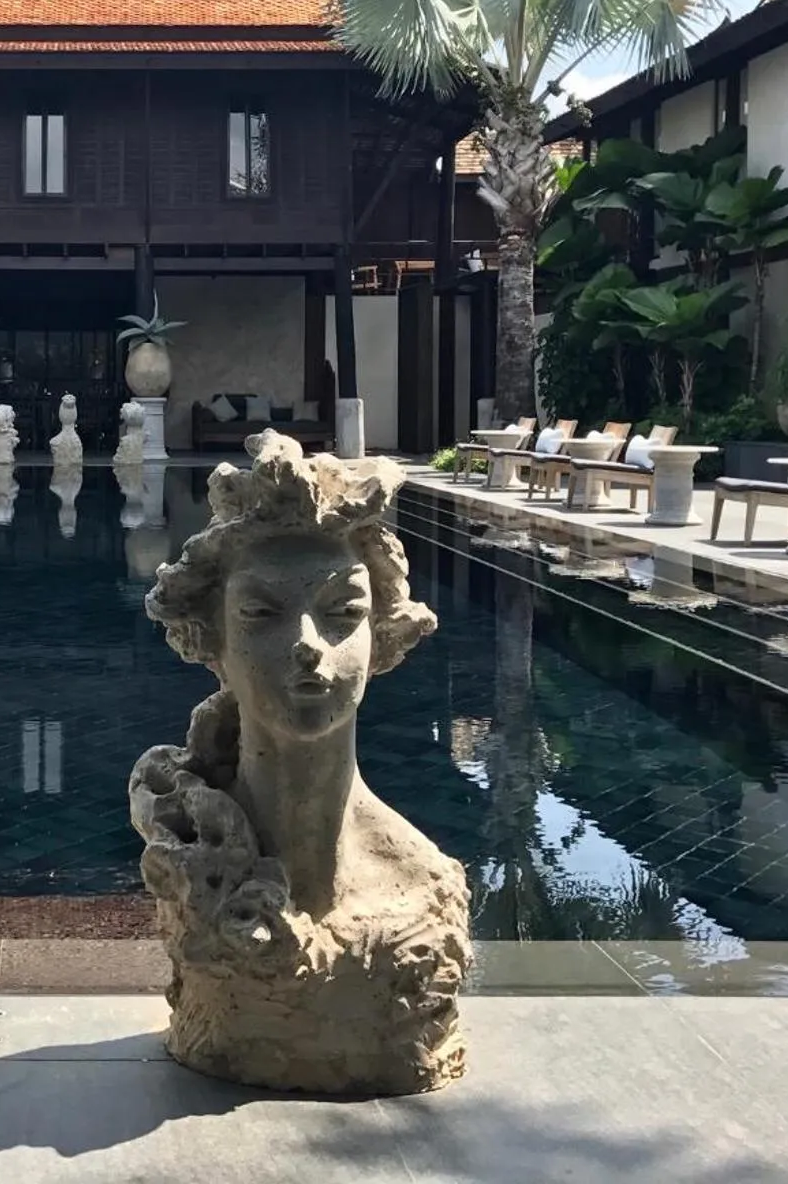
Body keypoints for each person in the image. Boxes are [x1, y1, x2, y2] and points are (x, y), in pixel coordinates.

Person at [131, 431, 469, 1095]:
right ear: (212, 638)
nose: (309, 646)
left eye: (343, 612)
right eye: (262, 613)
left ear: (383, 638)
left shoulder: (423, 888)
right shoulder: (189, 852)